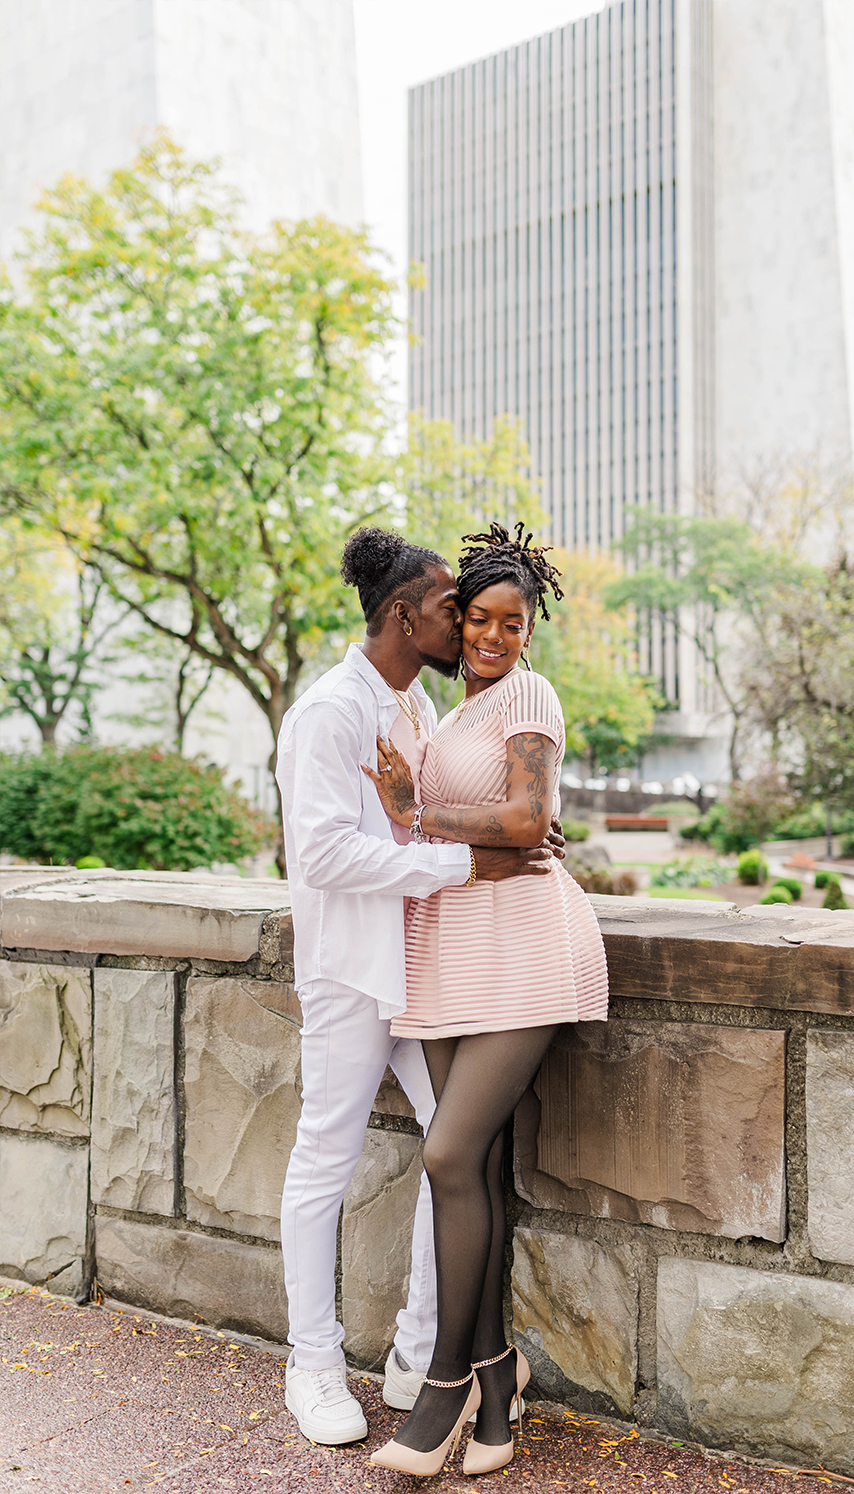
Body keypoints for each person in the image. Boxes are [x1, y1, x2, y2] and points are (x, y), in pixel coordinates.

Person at [274, 529, 556, 1447]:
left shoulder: (415, 709)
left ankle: (420, 1351)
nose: (463, 620)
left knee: (456, 1157)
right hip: (355, 973)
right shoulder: (331, 712)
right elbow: (322, 853)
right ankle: (311, 1365)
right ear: (406, 614)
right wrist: (465, 863)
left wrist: (513, 839)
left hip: (429, 971)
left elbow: (455, 816)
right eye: (449, 607)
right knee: (326, 1158)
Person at [360, 523, 608, 1478]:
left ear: (530, 632)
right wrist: (463, 828)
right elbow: (485, 832)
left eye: (515, 624)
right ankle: (501, 1383)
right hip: (449, 949)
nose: (496, 638)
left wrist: (425, 814)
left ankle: (443, 1386)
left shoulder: (528, 697)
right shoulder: (436, 714)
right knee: (484, 1173)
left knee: (448, 1152)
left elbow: (527, 821)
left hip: (525, 947)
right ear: (454, 621)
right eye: (479, 620)